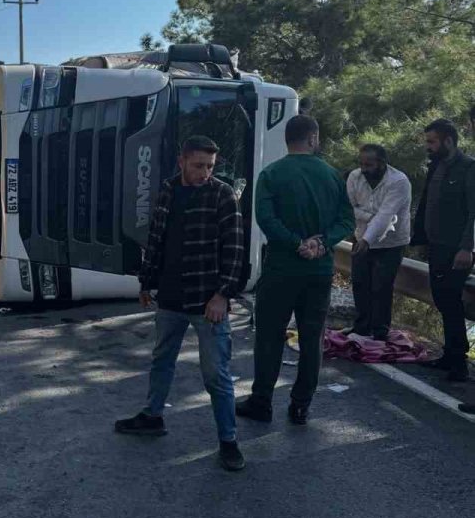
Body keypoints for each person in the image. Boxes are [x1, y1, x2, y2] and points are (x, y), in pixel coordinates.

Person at [115, 135, 246, 472]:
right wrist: (147, 281)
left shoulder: (223, 195)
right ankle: (153, 416)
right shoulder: (168, 191)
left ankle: (229, 441)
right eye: (199, 165)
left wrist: (222, 295)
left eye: (210, 166)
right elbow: (157, 240)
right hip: (170, 298)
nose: (205, 172)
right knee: (161, 360)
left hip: (207, 302)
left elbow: (235, 250)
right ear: (182, 161)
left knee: (216, 374)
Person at [237, 114, 354, 425]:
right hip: (319, 271)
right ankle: (301, 406)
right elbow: (347, 221)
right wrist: (322, 243)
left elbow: (265, 218)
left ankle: (261, 401)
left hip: (281, 269)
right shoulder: (332, 176)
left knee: (269, 337)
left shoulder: (272, 174)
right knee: (312, 338)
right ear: (313, 139)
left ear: (287, 139)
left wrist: (295, 243)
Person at [410, 119, 475, 383]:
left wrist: (467, 248)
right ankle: (450, 356)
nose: (428, 146)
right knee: (442, 301)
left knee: (450, 302)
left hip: (456, 250)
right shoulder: (435, 167)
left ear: (448, 141)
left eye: (432, 141)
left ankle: (459, 363)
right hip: (436, 247)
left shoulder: (468, 168)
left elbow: (474, 212)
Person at [345, 144, 411, 341]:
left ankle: (380, 331)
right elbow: (348, 208)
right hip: (361, 236)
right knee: (360, 283)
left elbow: (385, 216)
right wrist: (368, 218)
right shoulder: (355, 177)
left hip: (391, 243)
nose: (364, 169)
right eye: (362, 164)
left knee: (381, 287)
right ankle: (361, 327)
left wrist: (366, 239)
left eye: (369, 165)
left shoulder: (398, 181)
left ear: (382, 163)